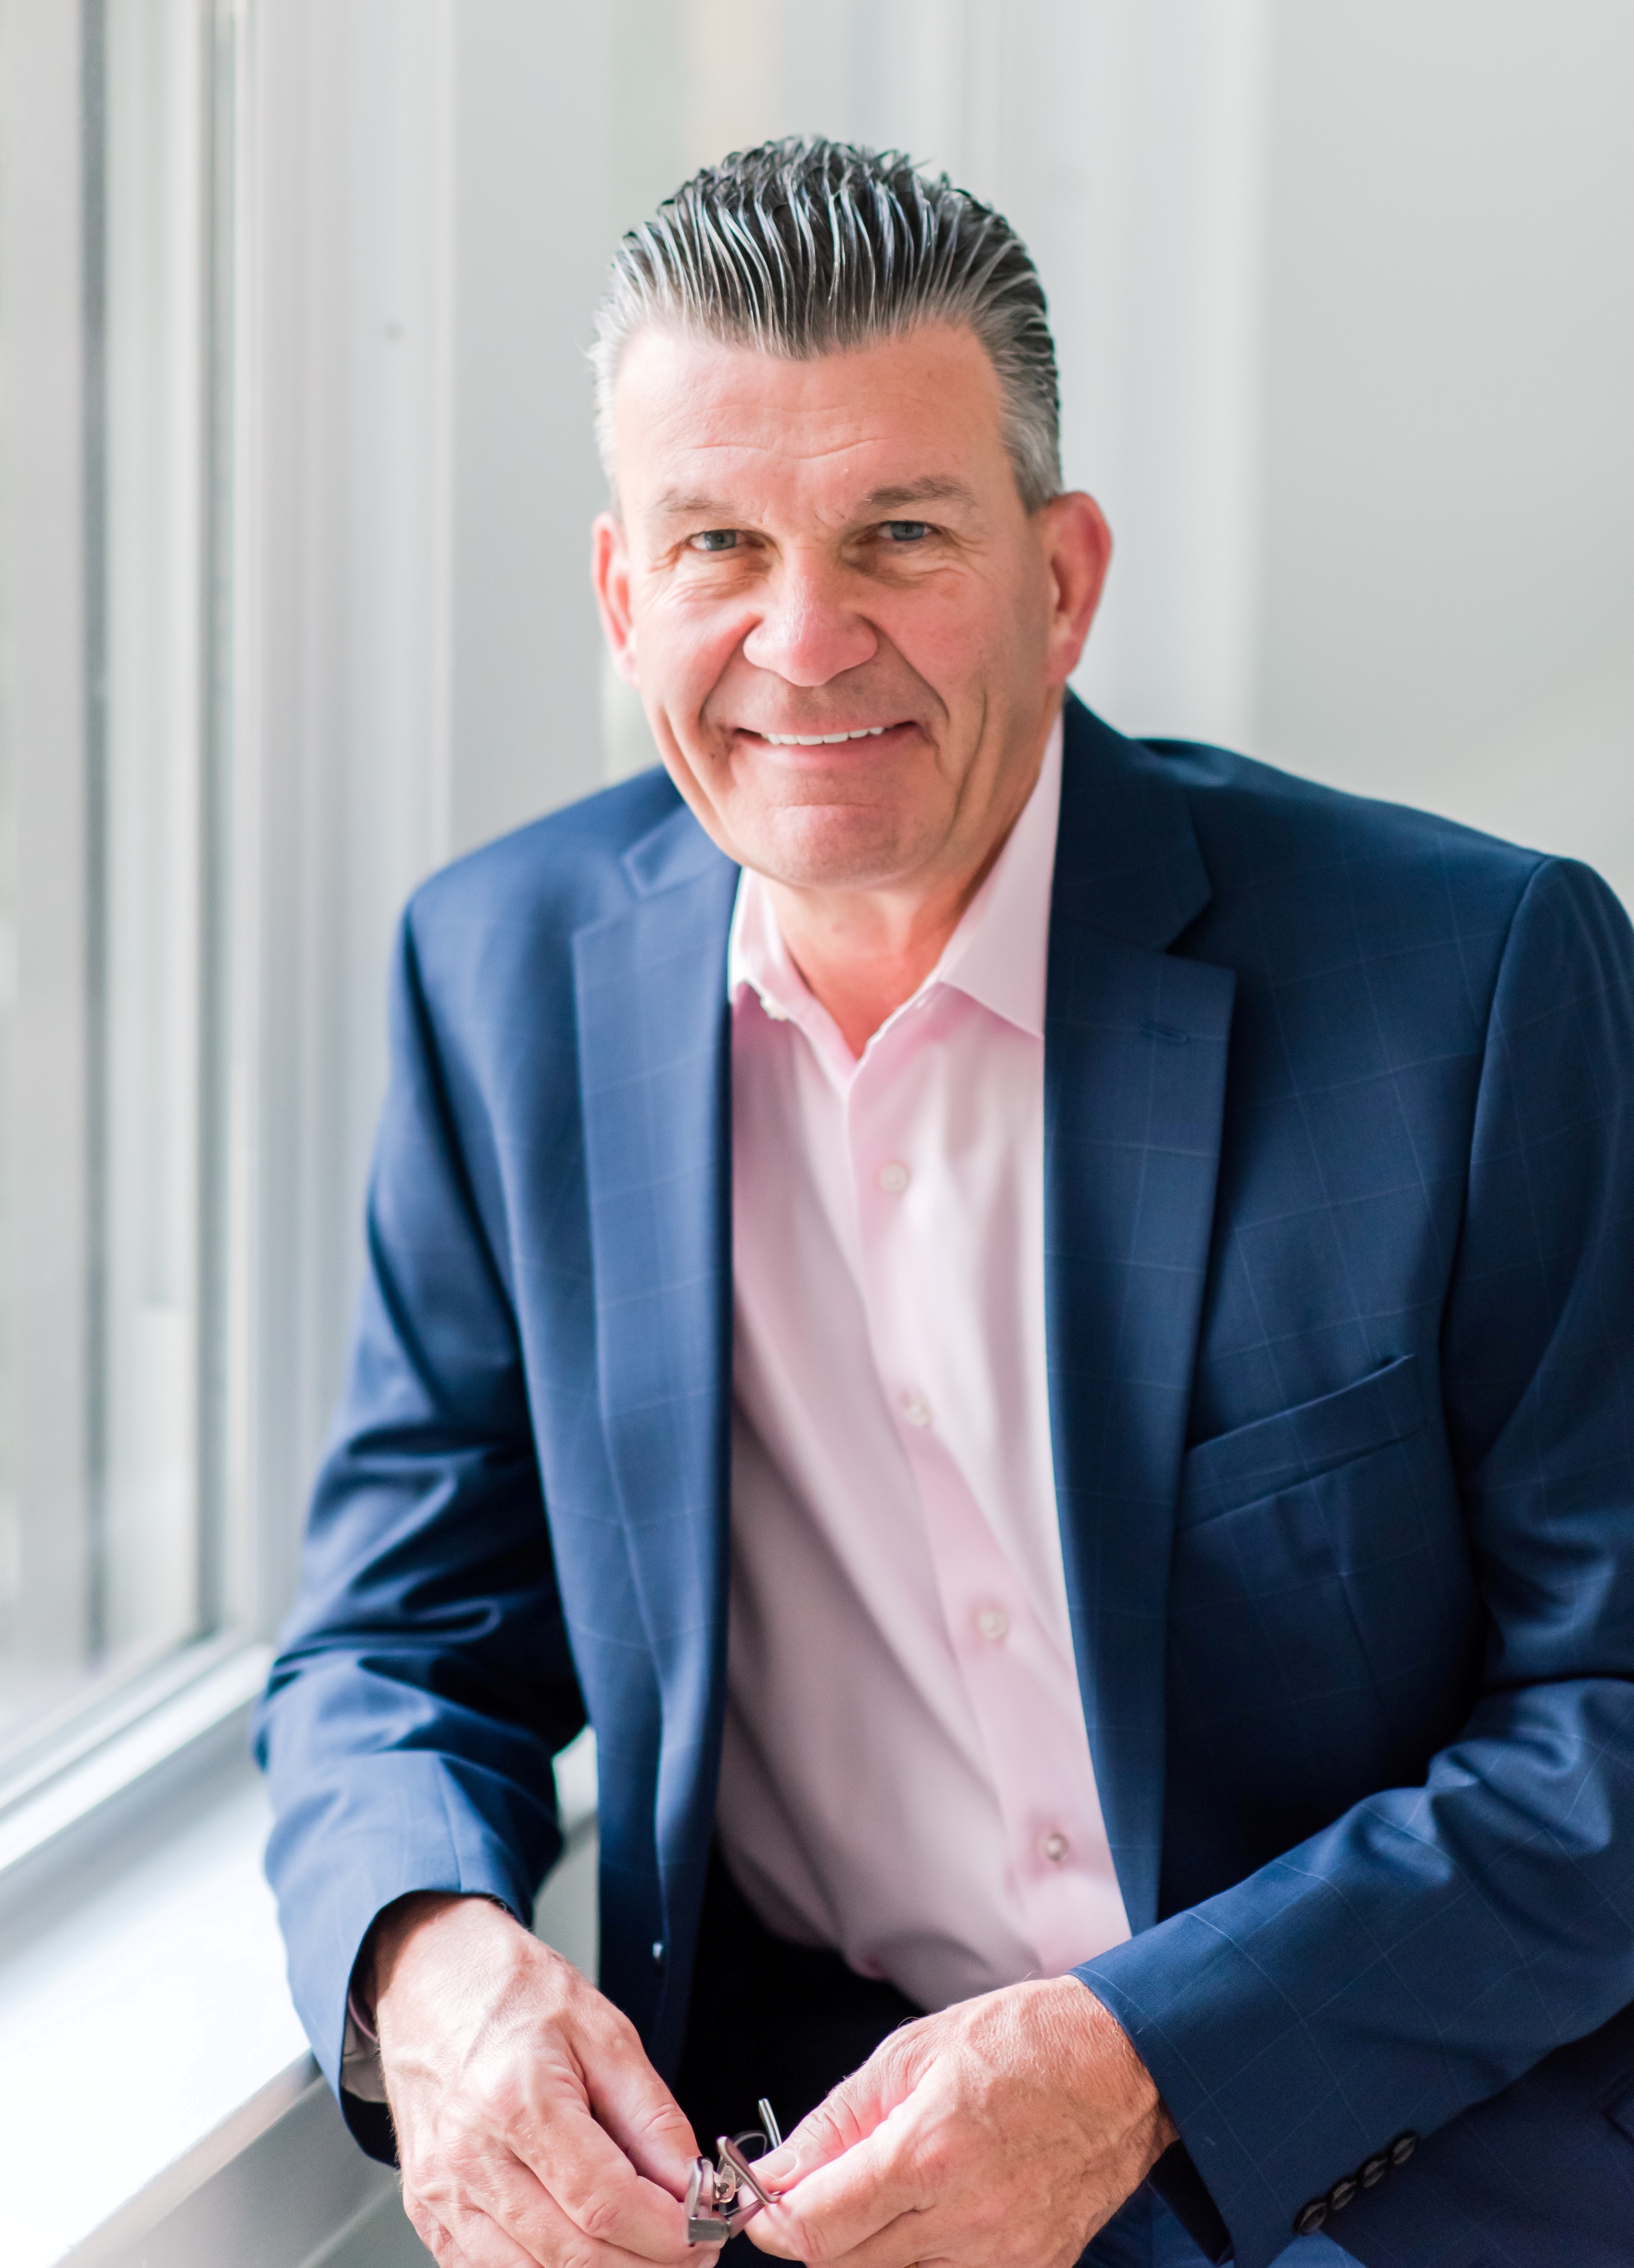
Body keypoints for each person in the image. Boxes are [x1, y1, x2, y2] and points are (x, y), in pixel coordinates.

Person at [256, 139, 1634, 2268]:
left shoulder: (1475, 985)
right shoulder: (498, 975)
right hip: (800, 2171)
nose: (806, 648)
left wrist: (1142, 2057)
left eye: (900, 533)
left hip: (1399, 2165)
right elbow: (398, 1625)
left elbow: (1614, 1713)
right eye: (721, 543)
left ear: (1063, 577)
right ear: (626, 595)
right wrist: (429, 1961)